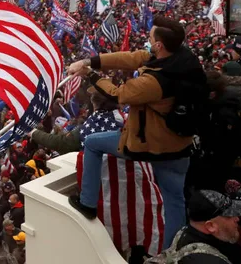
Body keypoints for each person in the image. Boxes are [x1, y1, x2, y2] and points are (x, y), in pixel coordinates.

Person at [67, 16, 205, 248]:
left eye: (151, 38)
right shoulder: (183, 59)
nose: (147, 42)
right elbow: (132, 58)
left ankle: (88, 203)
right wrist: (90, 61)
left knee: (92, 142)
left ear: (160, 45)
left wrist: (89, 75)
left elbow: (117, 95)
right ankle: (176, 249)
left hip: (152, 144)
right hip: (181, 143)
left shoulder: (155, 81)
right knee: (174, 199)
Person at [147, 189, 241, 263]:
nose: (237, 219)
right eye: (229, 216)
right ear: (210, 226)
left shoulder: (184, 232)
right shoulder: (208, 261)